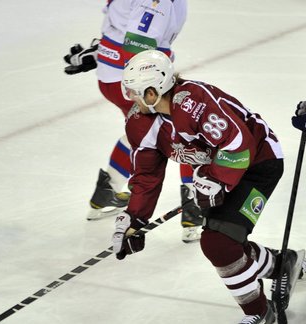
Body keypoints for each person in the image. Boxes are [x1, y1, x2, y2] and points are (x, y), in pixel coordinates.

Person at [112, 49, 304, 324]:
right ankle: (281, 264)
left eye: (135, 92)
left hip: (258, 163)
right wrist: (133, 217)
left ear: (153, 92)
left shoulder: (194, 102)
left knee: (218, 243)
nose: (130, 98)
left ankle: (261, 314)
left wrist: (217, 180)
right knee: (222, 243)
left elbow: (238, 144)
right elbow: (147, 175)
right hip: (220, 172)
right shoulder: (140, 123)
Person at [63, 0, 202, 242]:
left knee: (141, 132)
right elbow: (138, 41)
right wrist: (150, 88)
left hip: (113, 72)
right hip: (133, 76)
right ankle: (194, 208)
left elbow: (122, 22)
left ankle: (107, 191)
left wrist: (102, 52)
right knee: (183, 130)